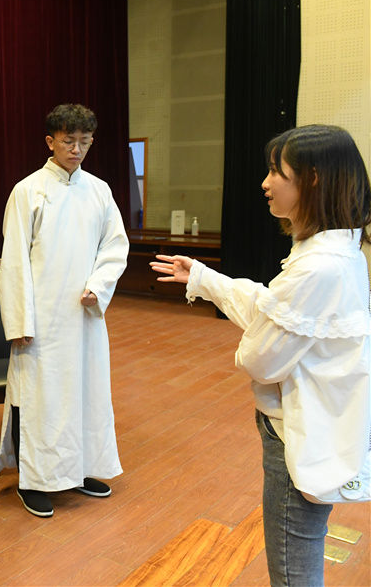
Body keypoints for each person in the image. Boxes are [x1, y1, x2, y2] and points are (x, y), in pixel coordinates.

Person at [150, 124, 371, 587]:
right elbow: (274, 311)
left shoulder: (317, 267)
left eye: (277, 172)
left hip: (295, 433)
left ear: (312, 179)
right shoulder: (334, 250)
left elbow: (261, 358)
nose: (265, 183)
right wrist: (205, 278)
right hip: (309, 425)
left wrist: (255, 337)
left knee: (292, 564)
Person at [0, 103, 129, 518]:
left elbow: (115, 245)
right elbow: (14, 259)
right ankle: (34, 480)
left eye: (84, 142)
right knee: (40, 399)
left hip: (85, 316)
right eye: (69, 141)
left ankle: (81, 468)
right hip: (43, 318)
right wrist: (19, 320)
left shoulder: (99, 190)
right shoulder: (28, 190)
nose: (77, 149)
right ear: (50, 141)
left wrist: (99, 285)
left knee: (86, 394)